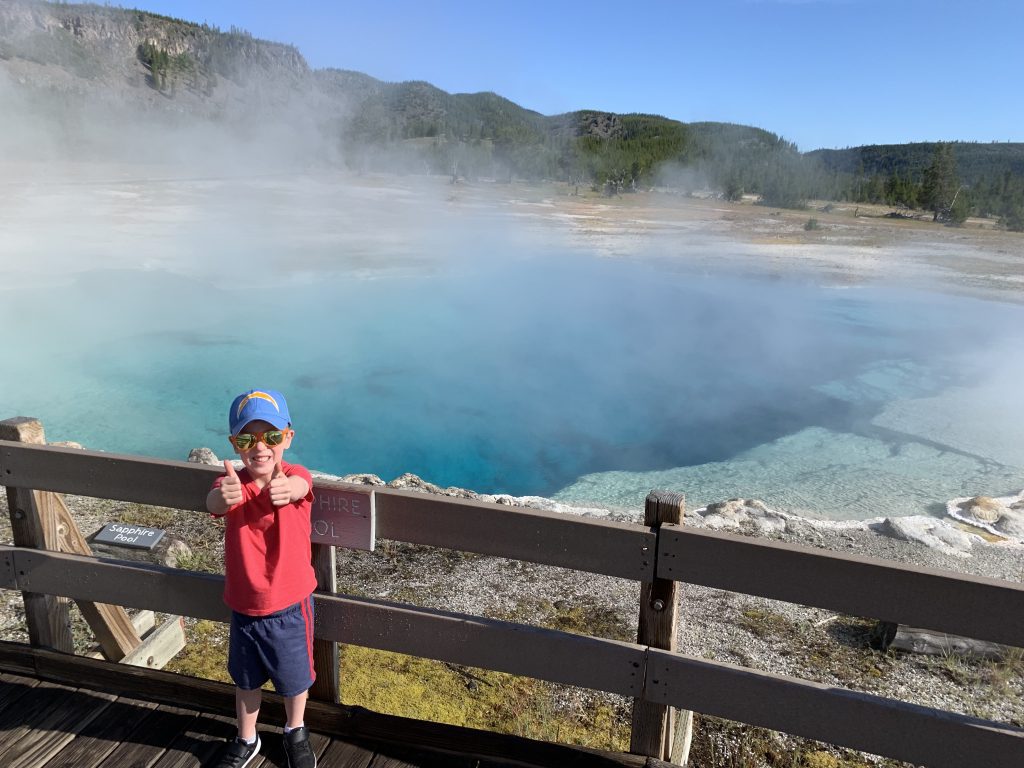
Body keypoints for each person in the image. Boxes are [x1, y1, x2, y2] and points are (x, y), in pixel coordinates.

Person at [206, 388, 318, 768]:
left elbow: (302, 485)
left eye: (271, 436)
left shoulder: (294, 477)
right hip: (243, 604)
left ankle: (295, 730)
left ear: (288, 437)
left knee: (295, 679)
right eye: (247, 438)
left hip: (290, 604)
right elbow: (214, 503)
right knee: (245, 680)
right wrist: (224, 496)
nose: (260, 447)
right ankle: (247, 737)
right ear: (234, 444)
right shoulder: (230, 484)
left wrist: (288, 488)